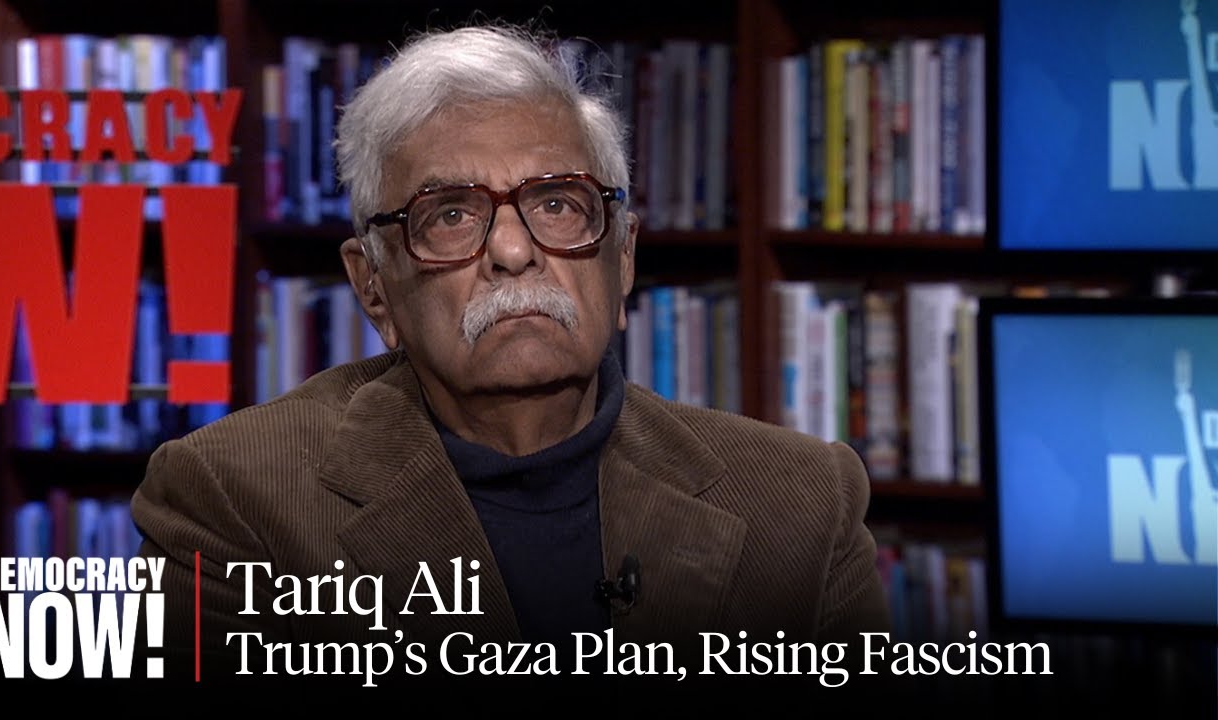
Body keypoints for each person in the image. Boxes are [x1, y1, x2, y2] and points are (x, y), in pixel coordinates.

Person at [131, 22, 889, 696]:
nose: (514, 251)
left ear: (622, 258)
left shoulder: (802, 504)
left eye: (558, 203)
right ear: (373, 288)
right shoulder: (235, 501)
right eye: (450, 215)